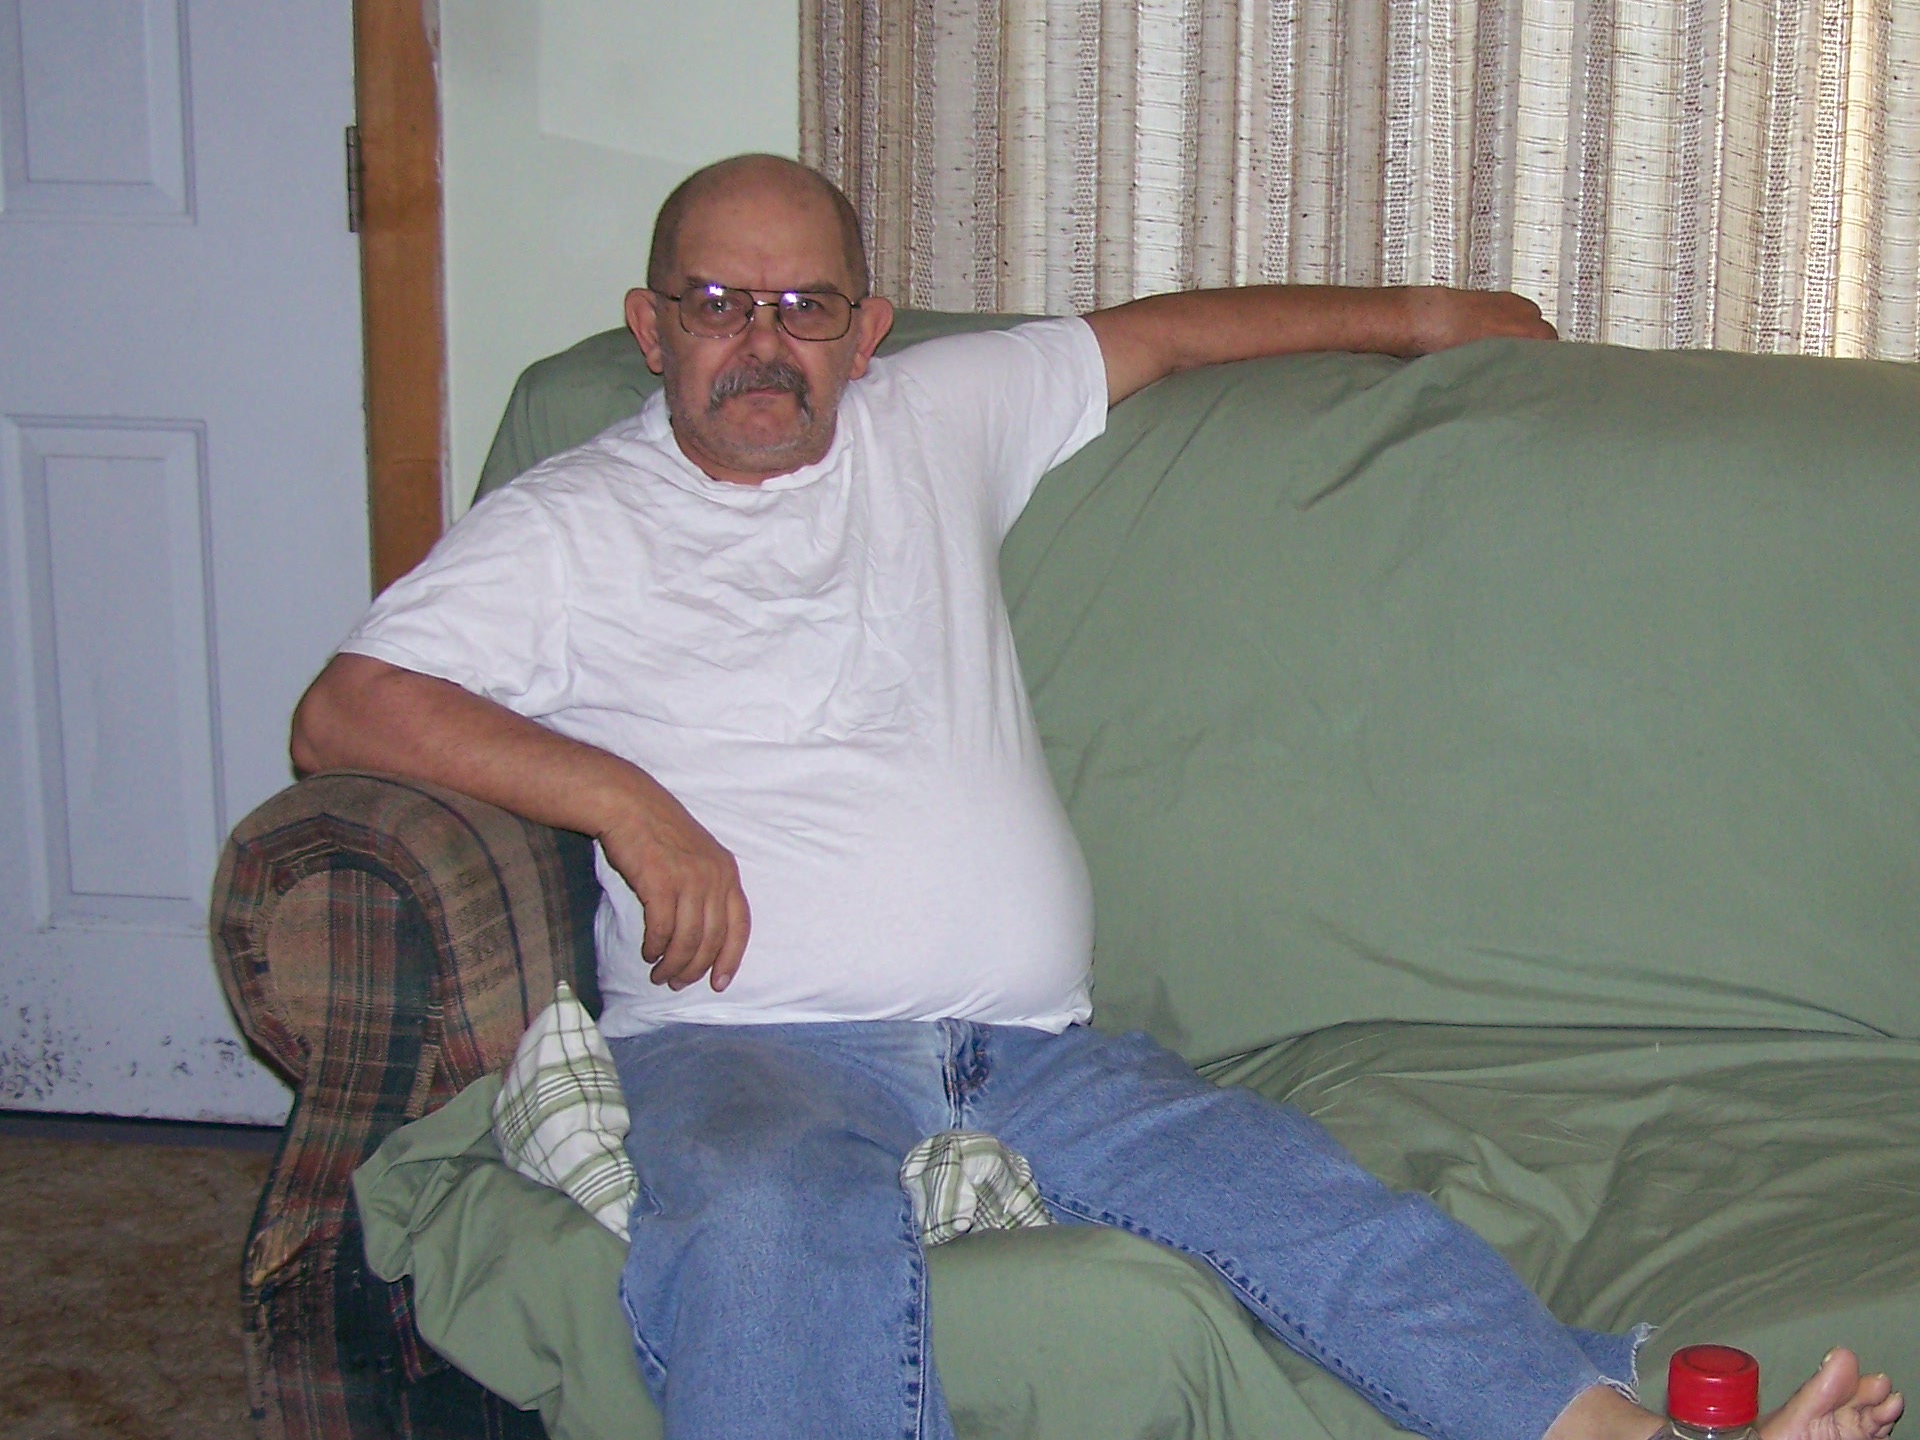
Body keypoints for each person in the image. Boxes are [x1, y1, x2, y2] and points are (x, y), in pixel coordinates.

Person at [292, 154, 1905, 1440]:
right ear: (652, 328)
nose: (763, 342)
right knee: (771, 1227)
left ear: (867, 329)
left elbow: (1167, 336)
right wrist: (625, 802)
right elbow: (345, 710)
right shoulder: (569, 524)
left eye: (806, 305)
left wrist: (1426, 315)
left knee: (1301, 1199)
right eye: (720, 303)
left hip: (1035, 1050)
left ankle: (1624, 1435)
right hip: (745, 1052)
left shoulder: (935, 417)